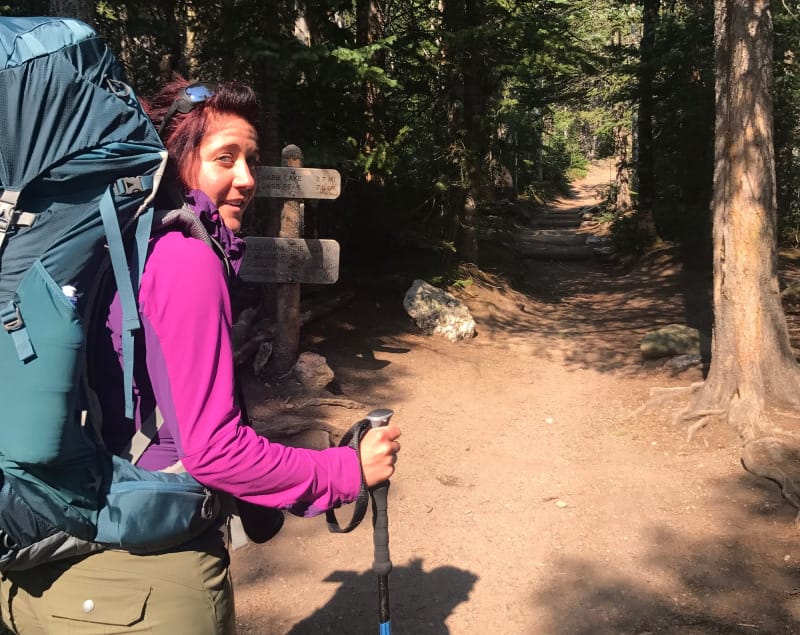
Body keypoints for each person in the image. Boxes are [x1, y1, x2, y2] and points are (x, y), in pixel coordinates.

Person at [0, 78, 401, 634]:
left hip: (47, 568)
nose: (246, 179)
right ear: (174, 162)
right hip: (142, 585)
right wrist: (345, 470)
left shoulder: (117, 252)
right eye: (225, 158)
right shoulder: (184, 260)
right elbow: (215, 453)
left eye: (251, 160)